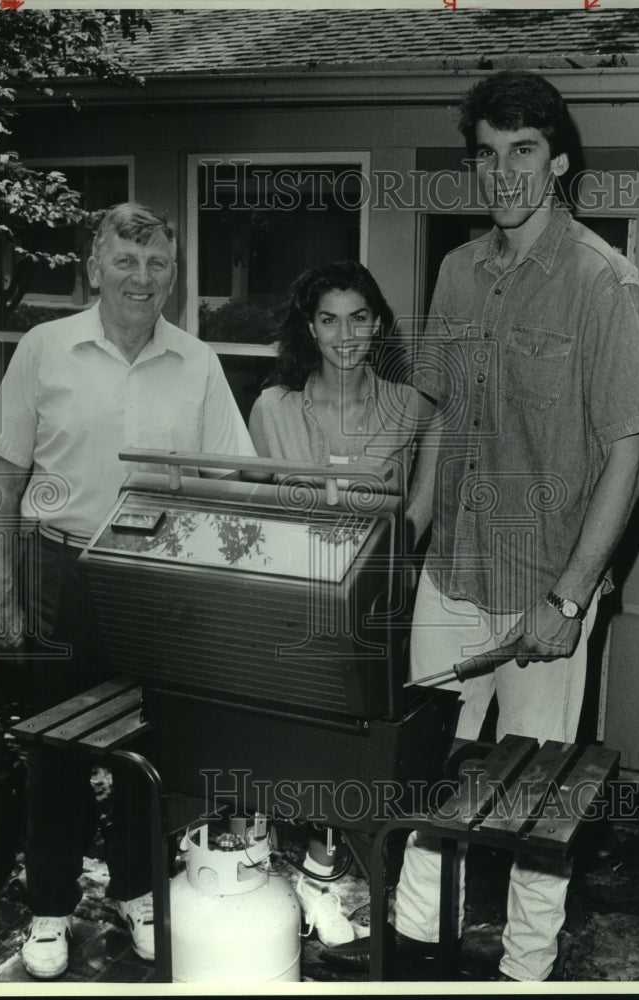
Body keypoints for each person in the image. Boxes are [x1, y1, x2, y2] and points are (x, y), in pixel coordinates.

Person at [320, 70, 639, 981]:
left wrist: (570, 596)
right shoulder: (456, 272)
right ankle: (417, 948)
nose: (504, 171)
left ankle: (523, 966)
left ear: (557, 160)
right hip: (451, 574)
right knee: (429, 778)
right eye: (488, 153)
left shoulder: (606, 284)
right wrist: (408, 545)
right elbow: (439, 419)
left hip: (543, 588)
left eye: (524, 151)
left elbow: (628, 453)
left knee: (534, 804)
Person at [0, 202, 255, 979]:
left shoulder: (198, 363)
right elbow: (1, 484)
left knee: (151, 748)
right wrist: (2, 598)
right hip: (57, 569)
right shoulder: (44, 348)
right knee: (53, 748)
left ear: (174, 272)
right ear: (93, 268)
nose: (142, 278)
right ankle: (50, 908)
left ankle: (138, 891)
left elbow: (232, 484)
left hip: (153, 580)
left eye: (157, 263)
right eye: (124, 262)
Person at [249, 260, 431, 947]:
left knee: (355, 749)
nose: (344, 333)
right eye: (328, 318)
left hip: (376, 609)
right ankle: (266, 876)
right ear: (308, 326)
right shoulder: (272, 408)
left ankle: (326, 877)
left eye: (359, 317)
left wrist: (376, 572)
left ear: (378, 323)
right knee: (280, 746)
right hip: (293, 603)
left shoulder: (412, 408)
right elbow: (261, 513)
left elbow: (420, 509)